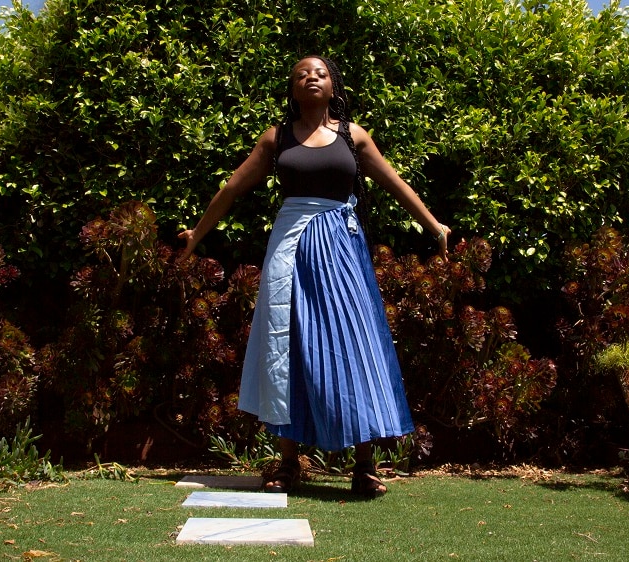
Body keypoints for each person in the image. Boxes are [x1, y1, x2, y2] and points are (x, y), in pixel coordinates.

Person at [178, 56, 449, 498]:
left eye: (319, 73)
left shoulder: (353, 136)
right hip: (291, 250)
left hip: (343, 253)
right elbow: (231, 188)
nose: (311, 77)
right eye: (301, 73)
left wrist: (433, 224)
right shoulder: (276, 139)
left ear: (332, 84)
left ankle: (364, 466)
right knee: (289, 345)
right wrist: (196, 234)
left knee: (354, 344)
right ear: (293, 87)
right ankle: (287, 463)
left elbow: (395, 183)